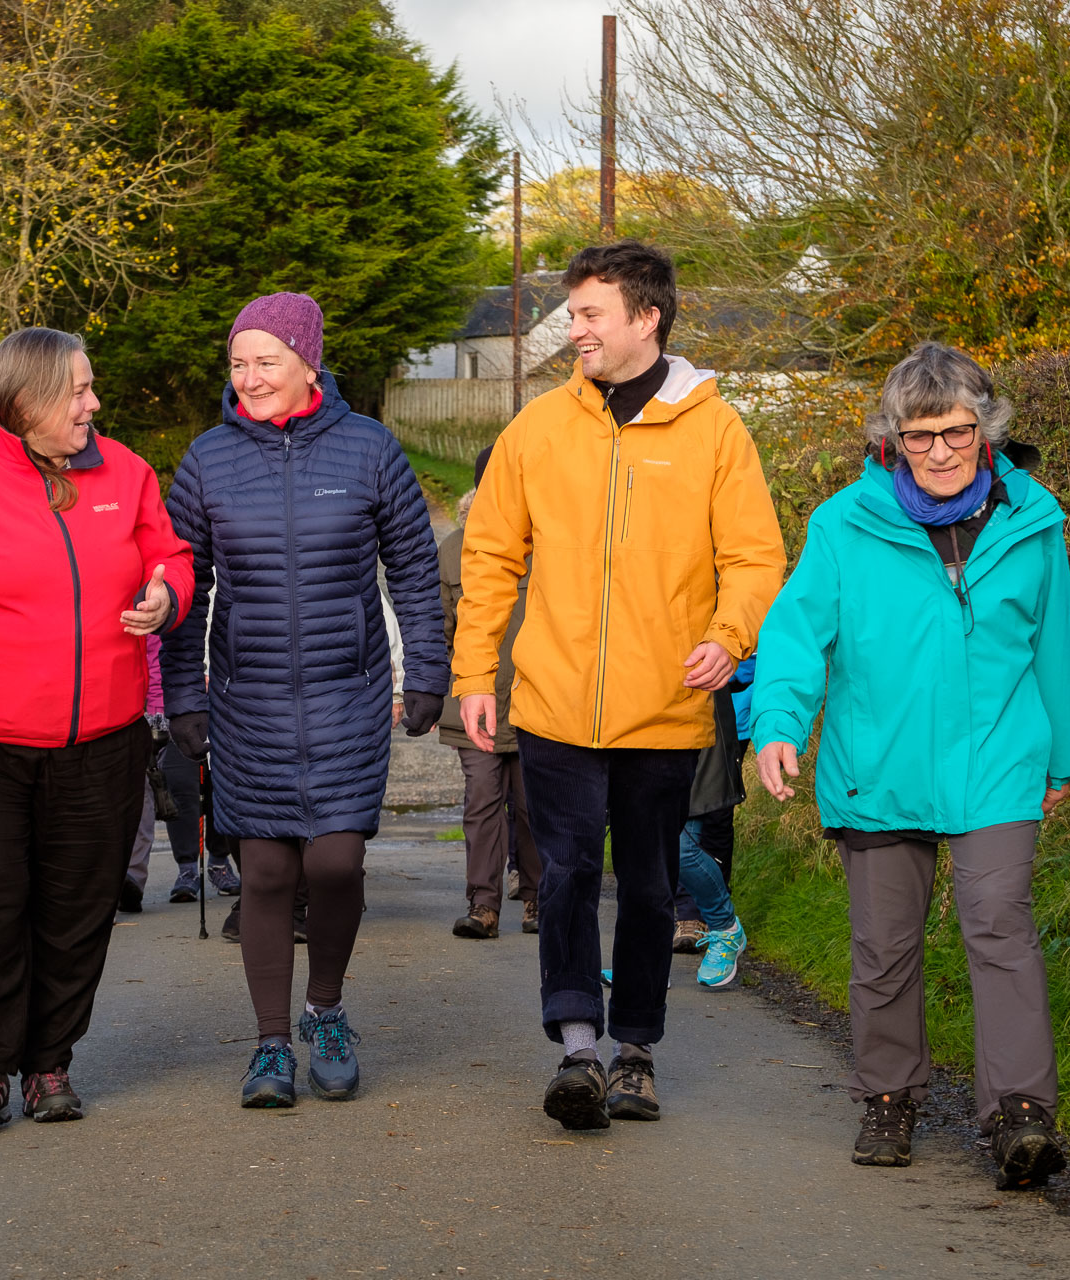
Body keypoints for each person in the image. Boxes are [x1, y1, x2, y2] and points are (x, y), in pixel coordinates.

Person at [454, 241, 786, 1131]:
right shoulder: (538, 428)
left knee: (645, 886)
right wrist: (473, 672)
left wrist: (728, 637)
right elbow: (489, 557)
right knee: (563, 873)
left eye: (592, 314)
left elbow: (755, 557)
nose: (576, 332)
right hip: (555, 699)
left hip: (666, 707)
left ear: (648, 317)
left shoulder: (715, 429)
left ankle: (635, 1047)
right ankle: (577, 1050)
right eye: (574, 315)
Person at [749, 341, 1070, 1190]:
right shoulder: (843, 524)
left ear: (987, 429)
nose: (939, 450)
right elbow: (796, 634)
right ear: (891, 437)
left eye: (957, 431)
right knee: (885, 946)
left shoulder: (1033, 518)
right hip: (878, 764)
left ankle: (1020, 1116)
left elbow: (1053, 645)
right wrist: (780, 722)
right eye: (920, 434)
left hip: (1000, 760)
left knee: (1001, 926)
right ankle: (890, 1097)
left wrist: (1063, 754)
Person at [0, 327, 194, 1133]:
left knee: (78, 908)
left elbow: (174, 557)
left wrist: (166, 596)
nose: (94, 403)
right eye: (78, 390)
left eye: (90, 387)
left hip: (104, 737)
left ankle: (49, 1063)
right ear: (26, 400)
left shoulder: (125, 472)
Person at [163, 292, 448, 1108]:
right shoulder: (209, 460)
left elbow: (415, 570)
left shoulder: (369, 450)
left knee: (335, 859)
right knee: (263, 868)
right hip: (246, 700)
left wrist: (425, 667)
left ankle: (325, 1009)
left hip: (348, 694)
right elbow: (183, 583)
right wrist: (186, 693)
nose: (250, 378)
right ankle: (269, 1046)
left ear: (308, 362)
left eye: (267, 361)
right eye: (239, 363)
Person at [439, 447, 541, 939]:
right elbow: (440, 627)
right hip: (473, 705)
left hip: (536, 703)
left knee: (533, 805)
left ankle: (539, 899)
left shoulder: (548, 545)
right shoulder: (454, 548)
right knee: (481, 802)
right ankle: (483, 905)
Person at [672, 658, 753, 988]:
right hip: (634, 715)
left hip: (698, 713)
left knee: (679, 847)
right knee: (638, 846)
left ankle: (724, 926)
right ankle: (639, 962)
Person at [148, 633, 241, 905]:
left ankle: (219, 861)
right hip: (182, 703)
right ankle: (187, 867)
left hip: (229, 700)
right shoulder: (186, 593)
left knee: (222, 788)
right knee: (181, 786)